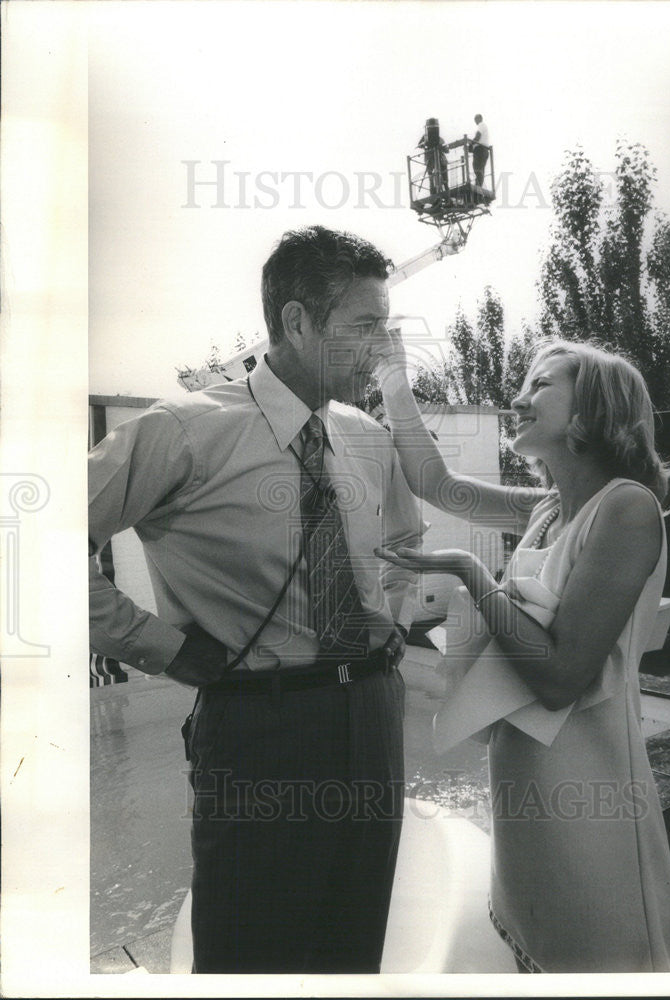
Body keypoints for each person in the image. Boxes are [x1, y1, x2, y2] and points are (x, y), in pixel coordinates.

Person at [88, 225, 426, 974]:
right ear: (298, 322)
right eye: (363, 326)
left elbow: (405, 544)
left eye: (386, 325)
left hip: (373, 717)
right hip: (257, 725)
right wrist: (162, 648)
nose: (382, 345)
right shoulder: (184, 432)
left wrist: (393, 625)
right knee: (249, 958)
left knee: (354, 951)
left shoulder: (367, 437)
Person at [373, 335, 670, 973]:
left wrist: (465, 569)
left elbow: (562, 677)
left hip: (591, 804)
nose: (517, 398)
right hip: (527, 799)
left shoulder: (625, 507)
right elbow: (437, 483)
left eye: (540, 385)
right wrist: (395, 384)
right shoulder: (546, 510)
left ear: (593, 410)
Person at [470, 113, 490, 187]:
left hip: (480, 150)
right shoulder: (483, 126)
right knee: (480, 168)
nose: (475, 121)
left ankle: (478, 185)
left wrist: (471, 144)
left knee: (476, 166)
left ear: (479, 118)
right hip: (484, 150)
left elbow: (478, 136)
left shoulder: (481, 125)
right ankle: (478, 184)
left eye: (475, 119)